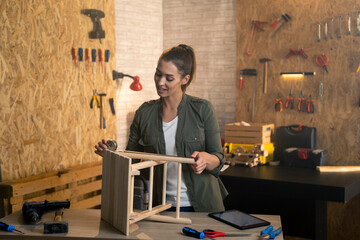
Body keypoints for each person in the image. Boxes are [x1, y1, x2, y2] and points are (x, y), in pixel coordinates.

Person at [95, 44, 228, 212]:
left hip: (203, 205)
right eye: (158, 74)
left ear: (184, 79)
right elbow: (131, 159)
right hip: (161, 206)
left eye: (169, 78)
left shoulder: (202, 109)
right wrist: (111, 155)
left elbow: (218, 157)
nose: (160, 82)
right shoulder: (144, 113)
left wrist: (204, 159)